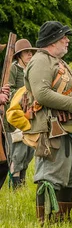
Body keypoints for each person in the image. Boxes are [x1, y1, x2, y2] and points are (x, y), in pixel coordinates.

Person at [23, 21, 72, 223]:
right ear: (52, 41)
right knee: (50, 176)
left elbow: (71, 90)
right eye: (63, 37)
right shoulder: (41, 61)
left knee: (71, 175)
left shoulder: (58, 62)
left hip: (68, 126)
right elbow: (42, 94)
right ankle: (45, 221)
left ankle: (62, 218)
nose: (67, 40)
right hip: (51, 128)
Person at [6, 39, 37, 189]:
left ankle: (22, 184)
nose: (30, 54)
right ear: (19, 55)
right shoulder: (14, 69)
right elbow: (8, 90)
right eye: (26, 52)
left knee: (28, 151)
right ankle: (15, 185)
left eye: (31, 51)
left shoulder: (32, 69)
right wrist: (24, 96)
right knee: (18, 153)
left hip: (31, 115)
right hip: (18, 115)